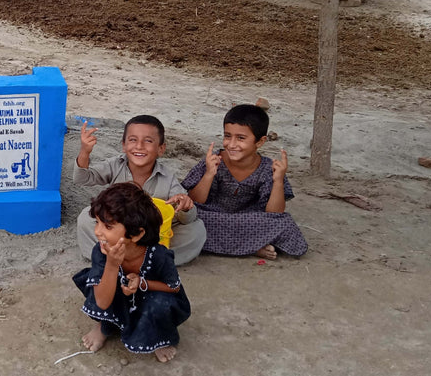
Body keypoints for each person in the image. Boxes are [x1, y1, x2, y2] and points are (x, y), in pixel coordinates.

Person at [73, 182, 191, 363]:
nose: (97, 232)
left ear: (136, 234)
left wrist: (143, 283)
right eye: (97, 223)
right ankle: (105, 326)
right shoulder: (102, 251)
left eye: (108, 226)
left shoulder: (159, 255)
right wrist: (112, 265)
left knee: (160, 304)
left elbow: (173, 287)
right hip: (117, 298)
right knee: (96, 282)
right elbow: (102, 302)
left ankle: (160, 337)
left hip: (150, 299)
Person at [74, 115, 206, 265]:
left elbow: (188, 218)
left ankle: (147, 261)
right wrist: (85, 151)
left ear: (161, 149)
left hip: (152, 234)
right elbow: (82, 178)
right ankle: (111, 258)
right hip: (118, 230)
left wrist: (185, 205)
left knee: (197, 230)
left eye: (148, 141)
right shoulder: (114, 165)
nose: (139, 146)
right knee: (86, 218)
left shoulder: (167, 178)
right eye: (133, 140)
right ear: (123, 145)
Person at [181, 104, 308, 259]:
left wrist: (278, 181)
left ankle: (239, 246)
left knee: (284, 223)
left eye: (241, 138)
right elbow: (193, 201)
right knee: (187, 216)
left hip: (249, 220)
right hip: (212, 216)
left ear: (260, 142)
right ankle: (252, 247)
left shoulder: (269, 168)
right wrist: (209, 174)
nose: (232, 144)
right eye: (227, 136)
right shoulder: (214, 160)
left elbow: (274, 214)